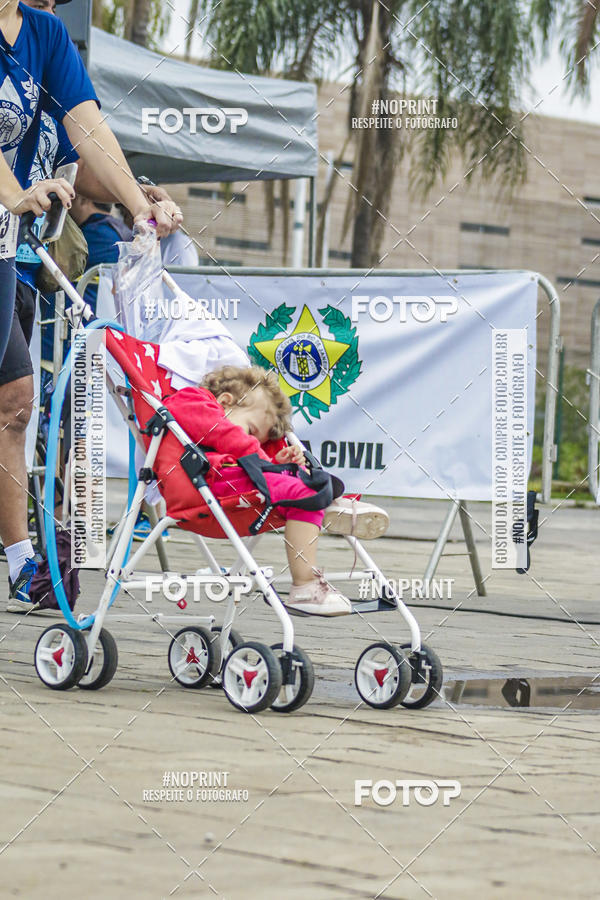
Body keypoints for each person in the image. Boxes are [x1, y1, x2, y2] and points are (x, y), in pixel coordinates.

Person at [0, 0, 182, 612]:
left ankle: (24, 563)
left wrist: (138, 204)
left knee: (15, 403)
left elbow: (87, 135)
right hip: (10, 223)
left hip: (15, 253)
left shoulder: (45, 34)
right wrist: (17, 193)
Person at [156, 365, 386, 616]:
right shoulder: (192, 400)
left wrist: (278, 463)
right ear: (225, 401)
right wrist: (264, 460)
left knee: (301, 482)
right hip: (210, 482)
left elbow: (248, 456)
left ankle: (327, 502)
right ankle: (305, 586)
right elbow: (226, 434)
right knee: (301, 492)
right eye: (252, 431)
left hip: (235, 483)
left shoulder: (242, 439)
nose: (254, 442)